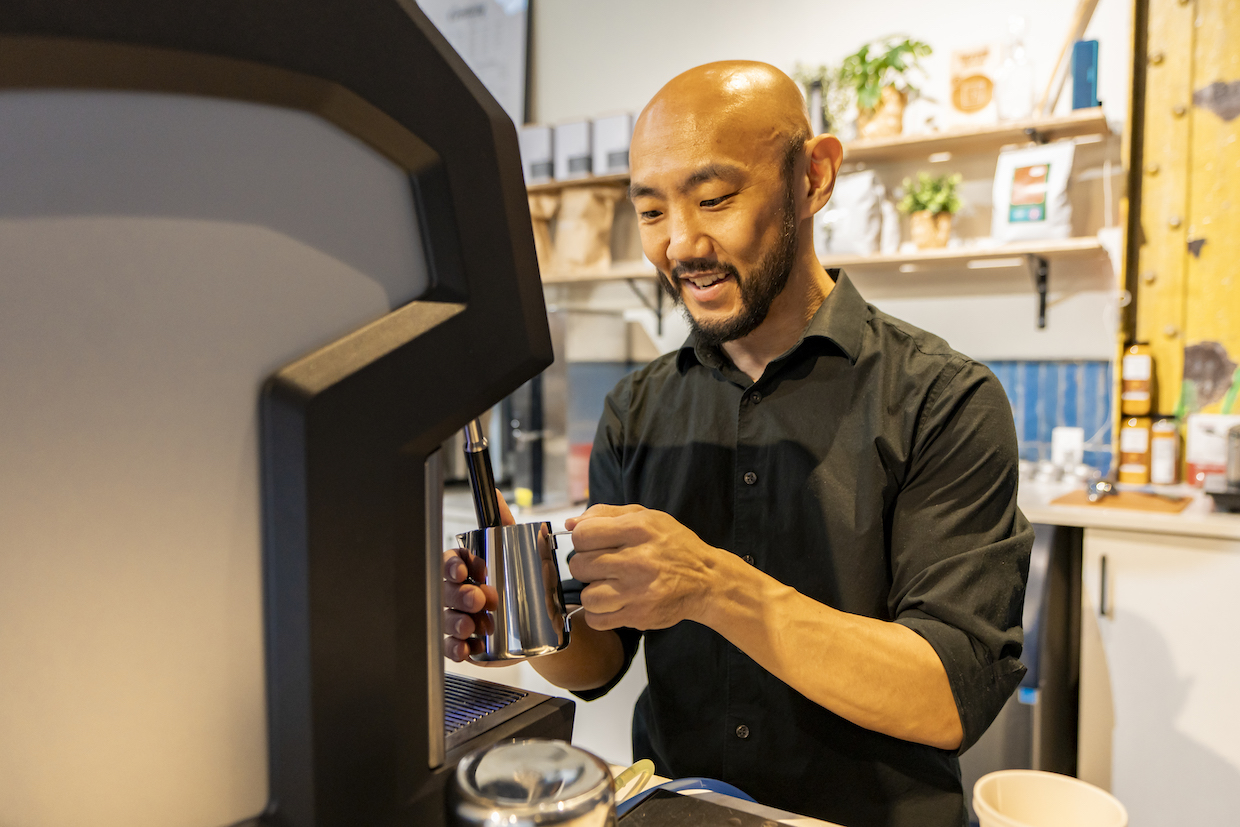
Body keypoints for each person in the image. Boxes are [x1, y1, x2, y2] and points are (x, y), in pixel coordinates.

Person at [443, 60, 1032, 827]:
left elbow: (949, 694)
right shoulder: (637, 408)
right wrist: (523, 615)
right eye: (651, 210)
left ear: (814, 178)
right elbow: (600, 661)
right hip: (683, 811)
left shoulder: (943, 398)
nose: (681, 243)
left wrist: (713, 586)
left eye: (715, 199)